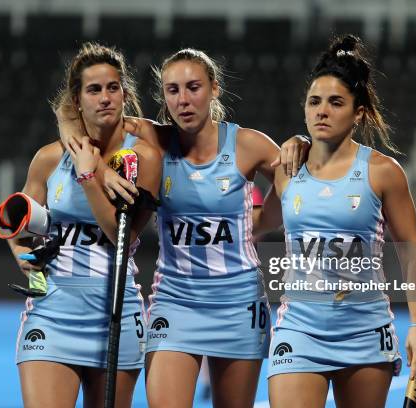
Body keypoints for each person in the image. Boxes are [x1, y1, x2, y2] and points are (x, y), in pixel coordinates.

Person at [57, 48, 309, 408]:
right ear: (163, 96)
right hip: (175, 301)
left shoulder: (247, 145)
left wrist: (301, 143)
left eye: (194, 87)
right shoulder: (155, 140)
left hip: (238, 303)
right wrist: (75, 136)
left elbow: (294, 187)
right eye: (173, 90)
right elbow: (73, 114)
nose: (184, 100)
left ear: (215, 89)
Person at [268, 35, 416, 408]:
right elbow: (256, 223)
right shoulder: (286, 168)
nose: (322, 111)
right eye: (314, 102)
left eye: (336, 102)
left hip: (364, 330)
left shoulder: (383, 172)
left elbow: (411, 253)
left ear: (358, 112)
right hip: (299, 327)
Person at [8, 42, 160, 408]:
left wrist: (90, 174)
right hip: (53, 312)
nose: (105, 97)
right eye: (94, 89)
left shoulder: (143, 157)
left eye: (113, 87)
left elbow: (119, 235)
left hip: (116, 311)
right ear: (77, 101)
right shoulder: (48, 159)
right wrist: (32, 270)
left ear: (125, 92)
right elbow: (19, 224)